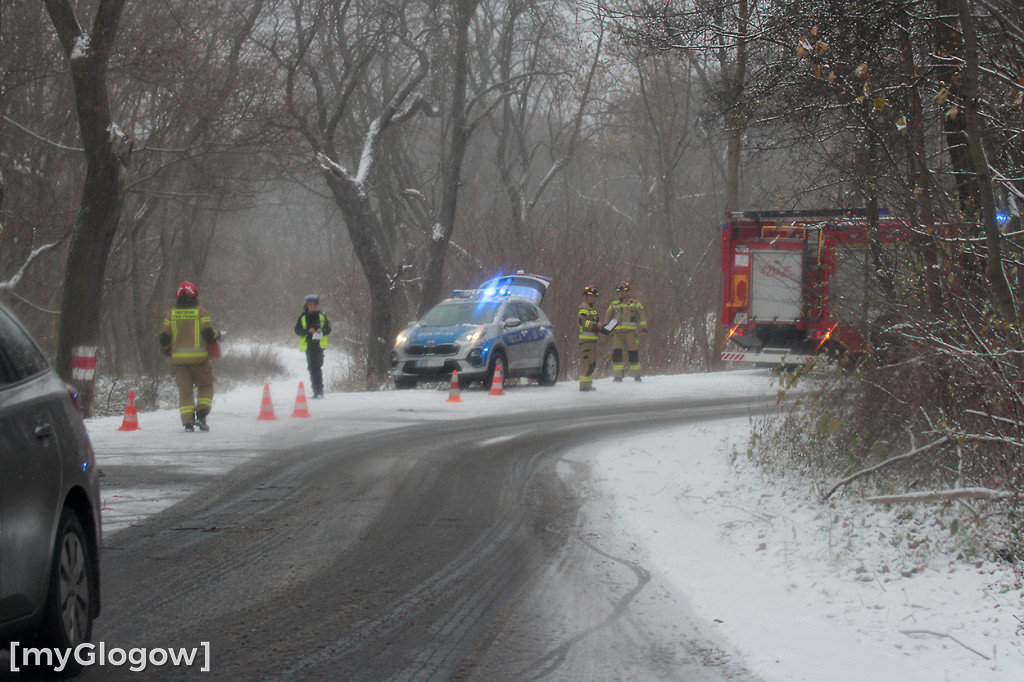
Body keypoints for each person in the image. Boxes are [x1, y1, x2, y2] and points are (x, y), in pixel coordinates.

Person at [159, 281, 220, 432]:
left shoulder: (171, 314)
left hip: (179, 362)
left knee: (185, 392)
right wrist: (218, 335)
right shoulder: (201, 313)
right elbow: (208, 333)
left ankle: (187, 423)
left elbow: (164, 337)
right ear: (195, 296)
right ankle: (201, 414)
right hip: (200, 360)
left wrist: (166, 350)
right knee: (206, 385)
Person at [604, 281, 648, 382]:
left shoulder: (635, 302)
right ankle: (618, 376)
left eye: (624, 291)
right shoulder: (614, 304)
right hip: (617, 334)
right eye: (620, 291)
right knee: (616, 353)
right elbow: (608, 316)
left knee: (633, 353)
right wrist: (606, 328)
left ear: (628, 291)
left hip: (631, 333)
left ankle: (637, 375)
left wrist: (643, 328)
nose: (622, 293)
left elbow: (641, 315)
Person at [294, 294, 332, 398]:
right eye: (311, 305)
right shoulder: (303, 318)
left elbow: (328, 329)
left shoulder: (321, 317)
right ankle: (317, 390)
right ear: (307, 305)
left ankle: (318, 390)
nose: (314, 307)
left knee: (317, 367)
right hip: (309, 346)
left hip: (319, 346)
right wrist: (307, 331)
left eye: (315, 305)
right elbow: (297, 330)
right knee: (312, 368)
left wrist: (322, 331)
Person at [578, 285, 601, 391]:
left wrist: (604, 326)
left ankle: (588, 384)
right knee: (586, 364)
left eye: (594, 296)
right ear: (586, 296)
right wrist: (596, 325)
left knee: (592, 364)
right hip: (586, 342)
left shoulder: (593, 309)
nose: (593, 298)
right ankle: (583, 386)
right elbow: (583, 322)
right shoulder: (584, 307)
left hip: (592, 341)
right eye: (590, 296)